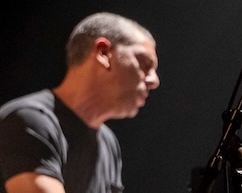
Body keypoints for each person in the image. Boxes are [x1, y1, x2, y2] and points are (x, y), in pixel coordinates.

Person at [0, 12, 160, 193]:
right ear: (104, 53)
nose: (154, 81)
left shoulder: (108, 143)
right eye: (145, 64)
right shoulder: (29, 120)